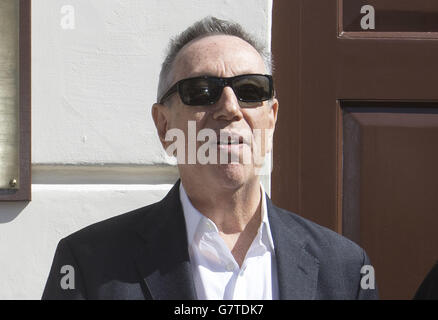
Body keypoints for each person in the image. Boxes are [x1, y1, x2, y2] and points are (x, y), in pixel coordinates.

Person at [42, 16, 378, 300]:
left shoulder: (345, 269)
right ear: (163, 125)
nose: (230, 108)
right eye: (202, 91)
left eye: (250, 91)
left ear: (271, 117)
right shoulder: (90, 265)